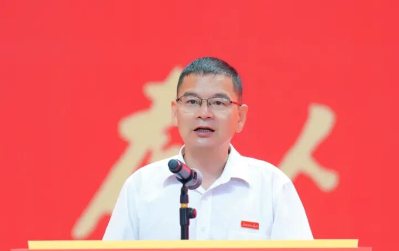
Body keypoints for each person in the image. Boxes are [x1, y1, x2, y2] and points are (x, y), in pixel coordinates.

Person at [103, 57, 313, 241]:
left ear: (240, 117)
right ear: (175, 113)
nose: (204, 113)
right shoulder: (140, 188)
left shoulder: (272, 187)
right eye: (192, 102)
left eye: (218, 103)